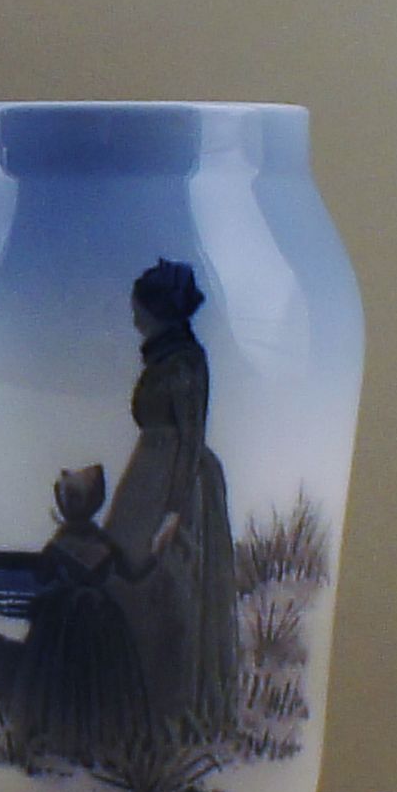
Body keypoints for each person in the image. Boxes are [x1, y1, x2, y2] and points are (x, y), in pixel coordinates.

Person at [103, 259, 239, 740]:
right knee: (122, 578)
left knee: (170, 590)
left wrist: (173, 511)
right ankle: (129, 701)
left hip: (175, 483)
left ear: (159, 310)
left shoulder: (184, 362)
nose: (134, 316)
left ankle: (169, 708)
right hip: (148, 476)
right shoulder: (163, 358)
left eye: (139, 308)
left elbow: (191, 436)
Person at [9, 465, 151, 767]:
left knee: (63, 679)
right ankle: (93, 744)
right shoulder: (104, 543)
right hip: (100, 618)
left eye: (70, 497)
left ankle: (64, 741)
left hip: (63, 619)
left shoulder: (60, 544)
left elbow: (41, 575)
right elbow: (133, 572)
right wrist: (159, 546)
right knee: (98, 681)